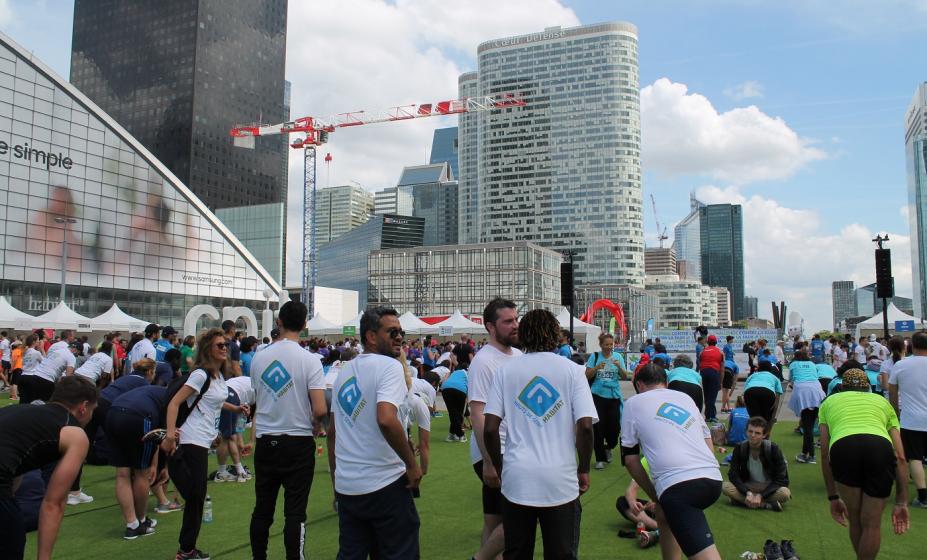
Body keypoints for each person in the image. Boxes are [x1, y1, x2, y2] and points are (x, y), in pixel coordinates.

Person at [483, 309, 596, 559]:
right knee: (561, 554)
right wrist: (584, 468)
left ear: (524, 334)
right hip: (561, 478)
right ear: (556, 335)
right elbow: (586, 427)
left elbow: (490, 428)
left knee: (517, 553)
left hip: (517, 477)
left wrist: (502, 468)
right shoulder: (573, 371)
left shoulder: (506, 371)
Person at [328, 308, 421, 559]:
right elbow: (386, 419)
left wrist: (337, 482)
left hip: (349, 487)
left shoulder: (343, 373)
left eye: (401, 332)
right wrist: (412, 465)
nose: (400, 337)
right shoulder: (389, 367)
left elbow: (333, 432)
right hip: (385, 483)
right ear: (371, 336)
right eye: (392, 332)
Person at [247, 300, 327, 560]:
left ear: (279, 321)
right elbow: (320, 408)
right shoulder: (309, 360)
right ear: (305, 325)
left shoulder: (259, 358)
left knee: (262, 509)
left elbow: (257, 398)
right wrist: (316, 427)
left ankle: (258, 557)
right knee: (295, 512)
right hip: (297, 441)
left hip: (266, 439)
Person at [621, 363, 723, 560]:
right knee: (663, 514)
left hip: (680, 488)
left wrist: (655, 493)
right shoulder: (685, 398)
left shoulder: (633, 403)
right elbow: (707, 439)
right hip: (713, 479)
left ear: (639, 384)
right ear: (665, 383)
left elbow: (630, 459)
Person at [0, 376, 98, 560]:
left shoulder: (22, 411)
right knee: (11, 541)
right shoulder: (75, 433)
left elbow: (16, 463)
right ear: (83, 407)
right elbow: (54, 503)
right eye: (93, 410)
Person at [161, 328, 235, 560]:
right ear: (207, 349)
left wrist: (232, 412)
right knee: (195, 497)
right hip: (191, 440)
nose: (225, 349)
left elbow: (214, 403)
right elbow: (174, 404)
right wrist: (171, 435)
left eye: (226, 345)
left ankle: (187, 549)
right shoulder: (201, 375)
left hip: (202, 441)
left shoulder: (218, 376)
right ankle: (186, 551)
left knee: (196, 497)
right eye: (219, 345)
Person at [819, 369, 910, 559]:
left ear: (841, 387)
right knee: (872, 523)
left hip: (844, 448)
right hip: (879, 448)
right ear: (868, 387)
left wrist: (833, 497)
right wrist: (902, 500)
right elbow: (901, 456)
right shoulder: (882, 402)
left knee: (856, 518)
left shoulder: (829, 402)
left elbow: (825, 454)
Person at [467, 297, 522, 560]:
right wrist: (489, 461)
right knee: (518, 518)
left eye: (516, 319)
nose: (515, 325)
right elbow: (477, 413)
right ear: (490, 326)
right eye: (508, 321)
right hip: (495, 451)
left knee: (493, 519)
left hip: (513, 449)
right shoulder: (484, 361)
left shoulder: (520, 356)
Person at [105, 383, 170, 539]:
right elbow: (159, 435)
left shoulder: (155, 391)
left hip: (113, 413)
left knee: (122, 473)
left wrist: (154, 464)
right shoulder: (173, 400)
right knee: (142, 473)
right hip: (139, 416)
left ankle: (132, 524)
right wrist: (157, 466)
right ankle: (140, 521)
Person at [888, 331, 927, 508]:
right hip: (913, 419)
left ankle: (923, 496)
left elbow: (893, 393)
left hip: (911, 419)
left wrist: (895, 413)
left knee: (915, 458)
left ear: (911, 345)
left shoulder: (901, 365)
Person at [722, 416, 791, 511]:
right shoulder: (740, 448)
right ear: (746, 431)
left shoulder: (773, 449)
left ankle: (741, 501)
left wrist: (761, 495)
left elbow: (782, 479)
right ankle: (766, 505)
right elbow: (733, 474)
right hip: (748, 486)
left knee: (785, 493)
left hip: (768, 487)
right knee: (725, 487)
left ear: (764, 435)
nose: (753, 435)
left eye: (757, 433)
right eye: (750, 431)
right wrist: (748, 492)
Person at [584, 332, 628, 470]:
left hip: (613, 396)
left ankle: (608, 446)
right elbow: (586, 375)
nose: (609, 347)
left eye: (611, 344)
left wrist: (619, 366)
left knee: (614, 428)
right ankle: (599, 458)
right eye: (606, 344)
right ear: (601, 345)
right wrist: (597, 367)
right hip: (597, 395)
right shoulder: (595, 356)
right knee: (598, 428)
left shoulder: (618, 356)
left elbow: (625, 376)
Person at [788, 350, 826, 464]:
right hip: (818, 392)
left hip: (803, 393)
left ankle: (812, 456)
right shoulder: (812, 364)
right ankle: (804, 454)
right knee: (808, 425)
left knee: (807, 427)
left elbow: (791, 379)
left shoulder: (794, 364)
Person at [441, 358, 469, 443]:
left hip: (445, 389)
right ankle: (461, 435)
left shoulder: (455, 372)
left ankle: (451, 435)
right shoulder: (469, 373)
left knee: (453, 413)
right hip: (460, 389)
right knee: (458, 413)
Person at [699, 335, 725, 422]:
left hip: (703, 372)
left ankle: (708, 416)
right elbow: (722, 369)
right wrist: (721, 382)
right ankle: (712, 416)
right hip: (714, 372)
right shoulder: (720, 352)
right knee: (712, 395)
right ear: (716, 342)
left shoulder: (702, 352)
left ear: (708, 342)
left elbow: (700, 363)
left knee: (706, 395)